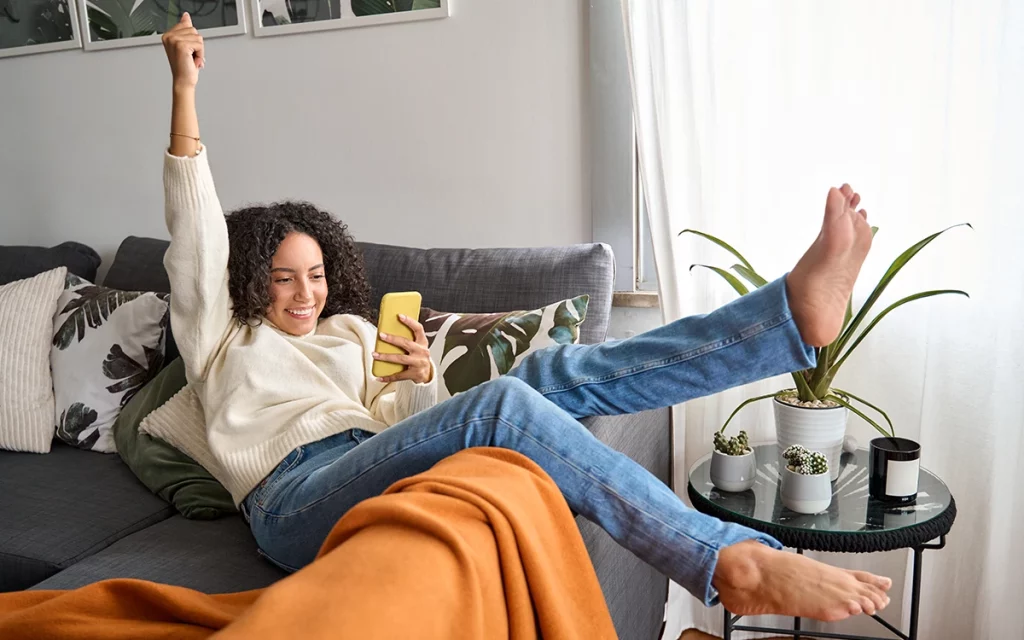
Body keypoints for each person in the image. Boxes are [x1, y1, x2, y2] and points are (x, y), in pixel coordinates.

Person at [160, 14, 891, 623]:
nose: (304, 293)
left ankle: (784, 322)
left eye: (316, 275)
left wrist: (417, 380)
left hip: (362, 465)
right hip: (290, 503)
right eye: (284, 278)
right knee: (505, 402)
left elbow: (398, 434)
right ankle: (723, 558)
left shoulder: (353, 334)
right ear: (251, 282)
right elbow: (194, 235)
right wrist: (185, 89)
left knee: (544, 374)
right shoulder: (223, 337)